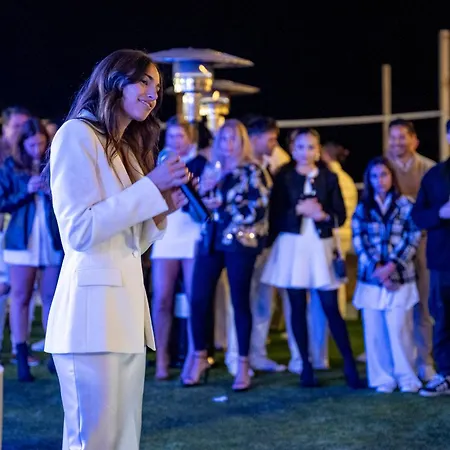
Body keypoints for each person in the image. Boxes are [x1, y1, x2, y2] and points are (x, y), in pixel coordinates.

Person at [44, 49, 189, 450]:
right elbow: (78, 231)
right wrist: (150, 188)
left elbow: (129, 242)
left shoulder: (124, 149)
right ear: (113, 81)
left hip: (126, 316)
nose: (153, 94)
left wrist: (161, 206)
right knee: (93, 440)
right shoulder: (76, 135)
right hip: (89, 319)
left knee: (124, 440)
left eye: (157, 87)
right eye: (143, 81)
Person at [262, 128, 363, 388]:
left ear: (318, 150)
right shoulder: (284, 176)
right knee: (296, 307)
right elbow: (275, 215)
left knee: (331, 307)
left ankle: (349, 366)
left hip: (321, 247)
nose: (305, 152)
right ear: (292, 149)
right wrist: (298, 210)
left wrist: (322, 215)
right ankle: (305, 366)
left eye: (310, 147)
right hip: (292, 247)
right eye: (300, 147)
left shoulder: (329, 176)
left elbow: (341, 214)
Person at [181, 119, 271, 391]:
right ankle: (199, 356)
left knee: (239, 302)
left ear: (242, 143)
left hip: (240, 243)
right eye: (223, 138)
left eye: (234, 139)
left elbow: (258, 207)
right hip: (210, 240)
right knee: (198, 299)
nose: (228, 144)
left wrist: (223, 204)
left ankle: (243, 364)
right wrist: (202, 195)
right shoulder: (210, 168)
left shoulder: (252, 170)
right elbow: (193, 210)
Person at [352, 157, 422, 393]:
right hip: (372, 279)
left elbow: (412, 238)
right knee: (374, 331)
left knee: (400, 328)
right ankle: (382, 378)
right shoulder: (363, 208)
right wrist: (378, 270)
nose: (379, 180)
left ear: (392, 177)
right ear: (368, 180)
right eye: (374, 176)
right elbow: (360, 242)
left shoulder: (406, 205)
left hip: (400, 278)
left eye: (383, 175)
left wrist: (392, 266)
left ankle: (407, 377)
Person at [0, 118, 62, 381]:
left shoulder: (54, 163)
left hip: (50, 238)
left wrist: (50, 192)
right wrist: (26, 191)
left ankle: (53, 354)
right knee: (21, 297)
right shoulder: (11, 166)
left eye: (41, 143)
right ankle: (22, 356)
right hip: (22, 240)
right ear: (22, 144)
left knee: (51, 297)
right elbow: (2, 202)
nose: (37, 149)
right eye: (32, 144)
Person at [386, 118, 436, 382]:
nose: (397, 142)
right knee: (394, 306)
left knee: (424, 304)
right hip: (392, 247)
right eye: (392, 137)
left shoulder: (429, 169)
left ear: (414, 140)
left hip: (424, 245)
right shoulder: (382, 168)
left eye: (402, 137)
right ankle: (395, 360)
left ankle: (425, 360)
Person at [412, 119, 450, 397]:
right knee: (443, 319)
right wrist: (440, 213)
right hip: (442, 261)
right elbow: (418, 216)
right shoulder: (435, 175)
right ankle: (445, 374)